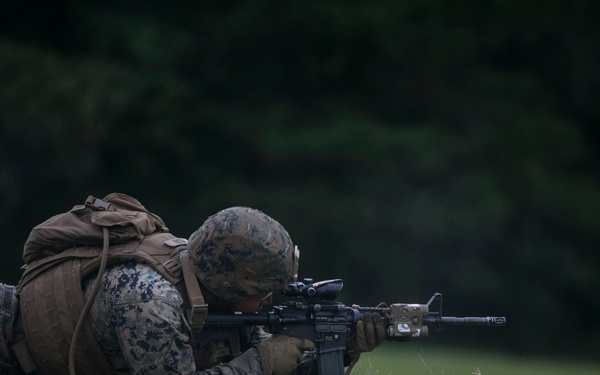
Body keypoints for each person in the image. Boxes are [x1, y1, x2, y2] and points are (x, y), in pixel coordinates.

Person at [12, 202, 386, 374]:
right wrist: (260, 363)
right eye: (263, 291)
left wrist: (343, 345)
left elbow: (274, 361)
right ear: (229, 283)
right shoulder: (150, 302)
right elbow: (260, 362)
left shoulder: (206, 283)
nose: (268, 302)